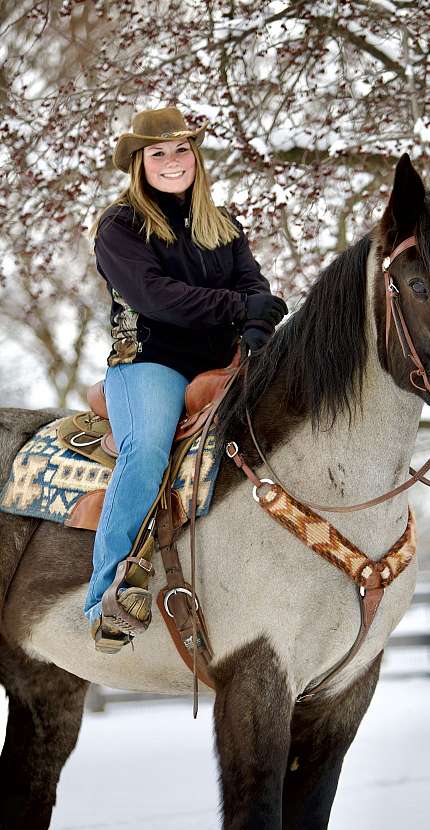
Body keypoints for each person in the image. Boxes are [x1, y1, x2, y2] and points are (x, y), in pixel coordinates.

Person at [86, 105, 287, 652]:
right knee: (147, 450)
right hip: (152, 361)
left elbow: (258, 288)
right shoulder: (119, 226)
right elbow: (157, 298)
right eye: (158, 153)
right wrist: (241, 306)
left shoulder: (224, 227)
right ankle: (105, 596)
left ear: (195, 158)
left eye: (181, 151)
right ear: (139, 163)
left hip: (221, 363)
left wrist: (258, 325)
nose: (172, 162)